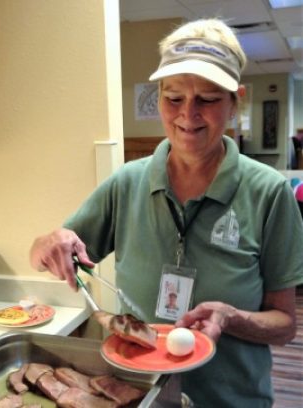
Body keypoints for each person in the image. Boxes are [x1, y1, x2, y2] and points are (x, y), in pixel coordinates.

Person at [30, 18, 303, 408]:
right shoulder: (126, 184)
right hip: (139, 395)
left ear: (234, 101)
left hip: (231, 400)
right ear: (158, 97)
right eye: (174, 98)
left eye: (207, 99)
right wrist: (46, 242)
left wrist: (230, 317)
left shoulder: (269, 193)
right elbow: (47, 254)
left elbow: (285, 325)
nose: (188, 115)